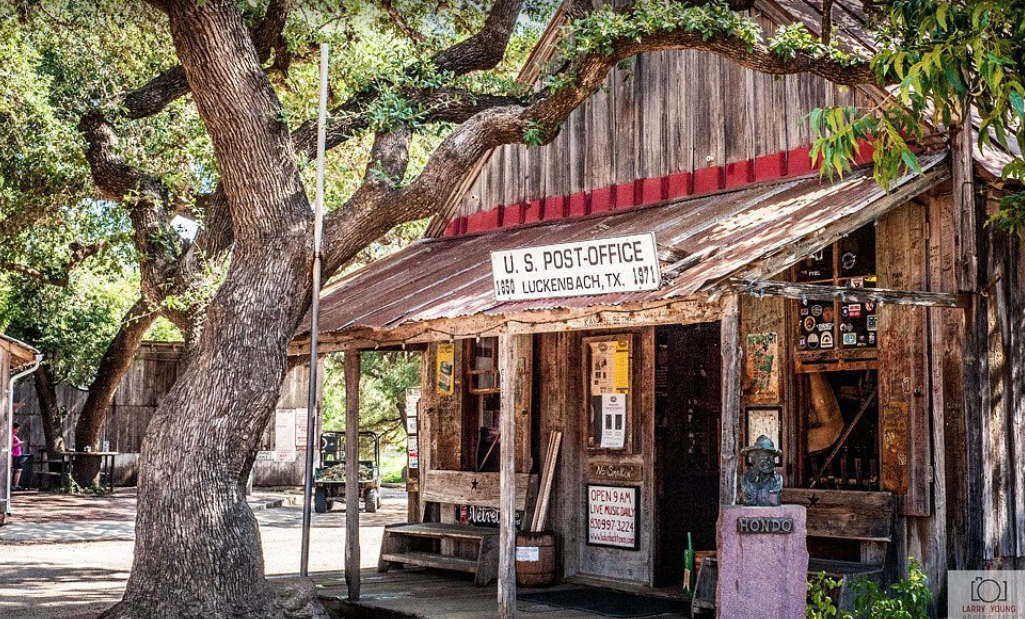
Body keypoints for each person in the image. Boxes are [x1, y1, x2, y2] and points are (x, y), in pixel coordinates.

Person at [11, 422, 30, 491]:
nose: (18, 431)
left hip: (18, 455)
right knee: (12, 470)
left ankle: (16, 485)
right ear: (13, 428)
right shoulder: (11, 435)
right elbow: (11, 445)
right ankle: (10, 485)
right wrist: (19, 443)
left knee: (19, 469)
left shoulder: (14, 435)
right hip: (14, 455)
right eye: (17, 429)